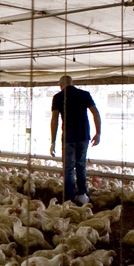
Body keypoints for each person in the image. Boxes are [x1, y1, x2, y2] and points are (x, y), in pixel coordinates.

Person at [50, 75, 101, 204]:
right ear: (73, 83)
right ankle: (82, 193)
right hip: (83, 136)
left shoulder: (58, 97)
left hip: (68, 137)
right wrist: (98, 133)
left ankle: (69, 198)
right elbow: (95, 112)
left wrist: (53, 141)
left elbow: (54, 119)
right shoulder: (84, 95)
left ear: (60, 85)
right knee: (81, 165)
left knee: (68, 168)